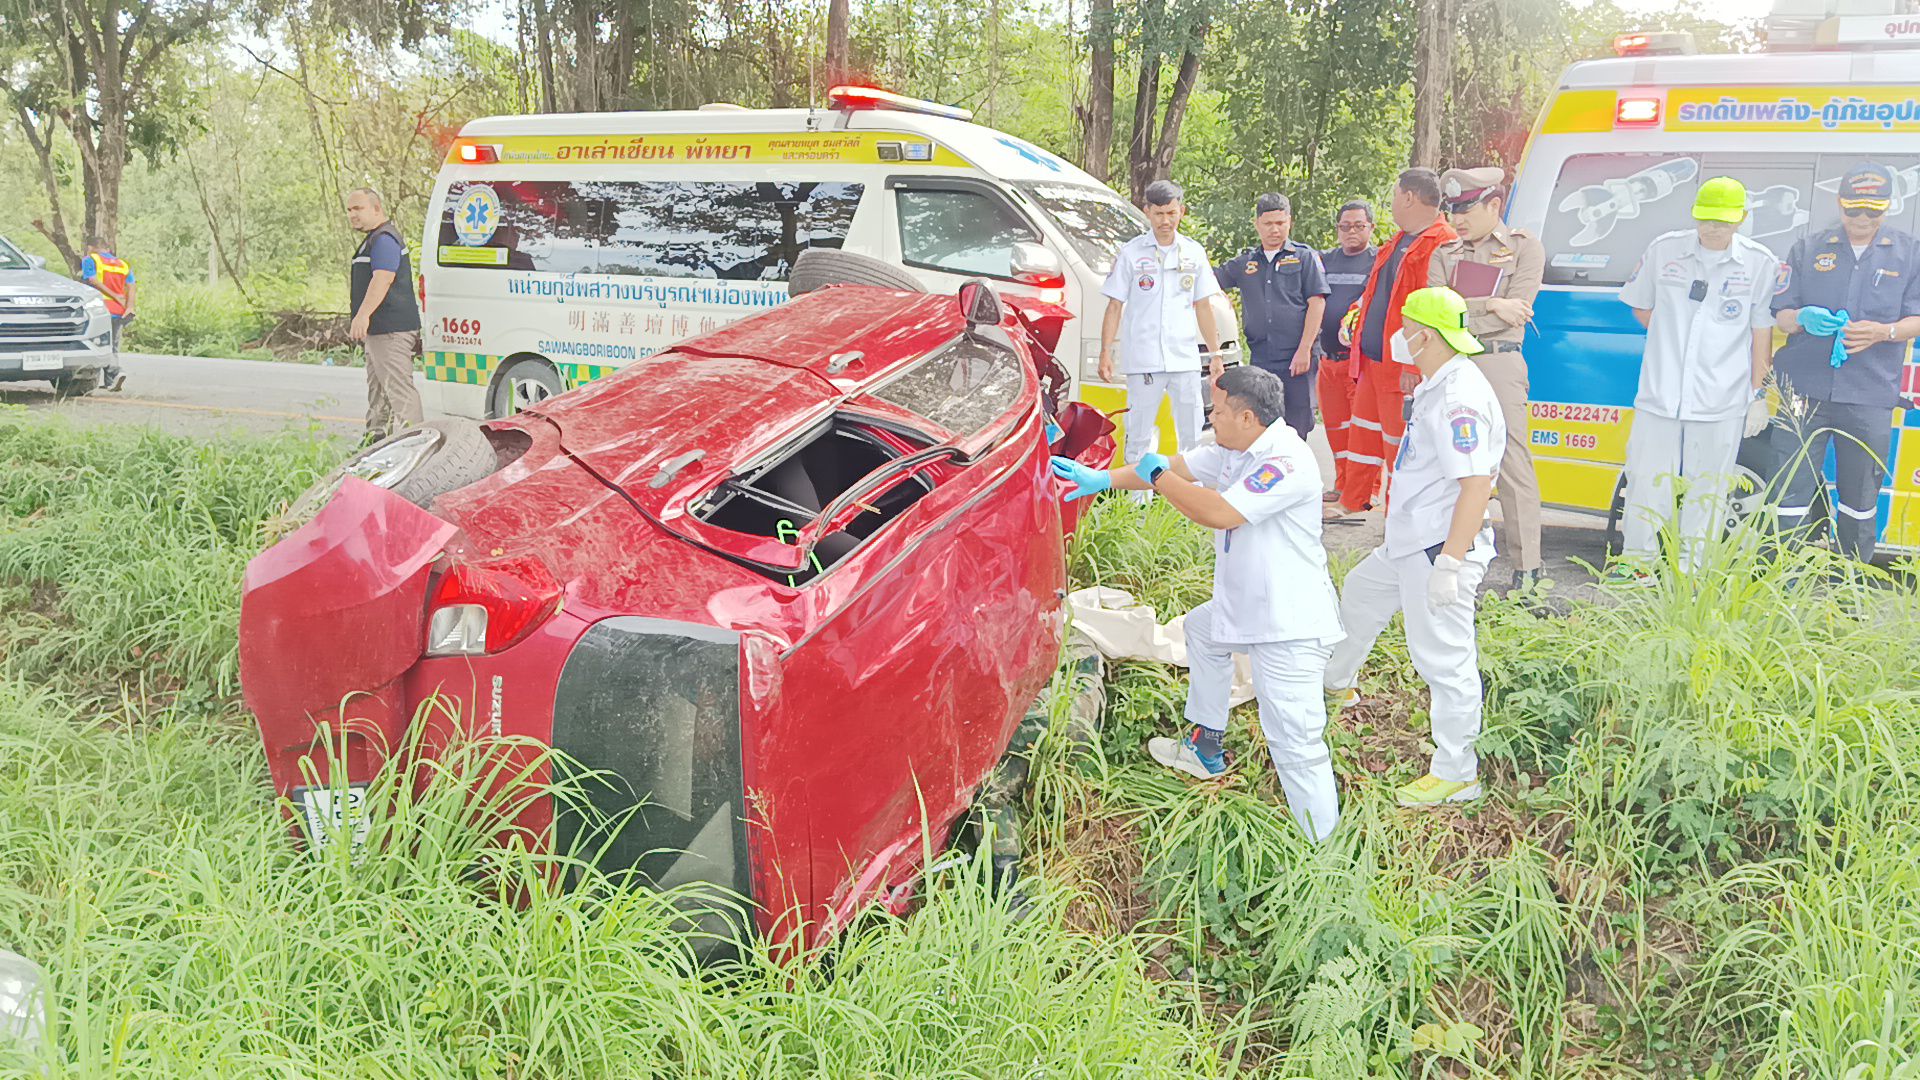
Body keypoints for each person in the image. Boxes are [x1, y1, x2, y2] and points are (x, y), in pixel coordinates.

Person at [1050, 366, 1345, 840]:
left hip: (1287, 624)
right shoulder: (1235, 447)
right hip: (1247, 607)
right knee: (1201, 633)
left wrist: (1161, 478)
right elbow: (1175, 468)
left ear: (1248, 417)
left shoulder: (1284, 462)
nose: (1212, 417)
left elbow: (1218, 512)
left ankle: (1323, 851)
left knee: (1296, 742)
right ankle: (1205, 747)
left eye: (1220, 411)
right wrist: (1100, 478)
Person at [1324, 288, 1504, 808]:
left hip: (1436, 549)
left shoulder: (1457, 400)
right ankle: (1337, 684)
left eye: (1405, 327)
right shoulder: (1439, 383)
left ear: (1424, 335)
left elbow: (1475, 486)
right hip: (1411, 539)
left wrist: (1450, 563)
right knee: (1359, 595)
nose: (1399, 336)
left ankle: (1456, 772)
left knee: (1443, 662)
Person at [1616, 176, 1776, 573]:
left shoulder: (1759, 264)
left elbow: (1762, 335)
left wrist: (1758, 395)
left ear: (1741, 218)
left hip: (1721, 398)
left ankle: (1692, 572)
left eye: (1722, 221)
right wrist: (1671, 337)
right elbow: (1640, 305)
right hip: (1660, 394)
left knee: (1710, 490)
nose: (1713, 228)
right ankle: (1638, 566)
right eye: (1706, 219)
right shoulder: (1664, 250)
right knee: (1645, 483)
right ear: (1694, 215)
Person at [1768, 163, 1920, 563]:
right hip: (1804, 390)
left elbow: (1916, 319)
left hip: (1869, 394)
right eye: (1854, 209)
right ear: (1840, 204)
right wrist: (1802, 319)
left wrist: (1883, 332)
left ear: (1889, 207)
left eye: (1873, 210)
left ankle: (1849, 592)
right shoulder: (1808, 247)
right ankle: (1781, 587)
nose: (1863, 219)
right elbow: (1781, 312)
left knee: (1859, 498)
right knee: (1789, 493)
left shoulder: (1911, 252)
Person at [1428, 167, 1547, 589]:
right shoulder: (1444, 253)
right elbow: (1433, 313)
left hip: (1499, 363)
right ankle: (1446, 556)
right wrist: (1493, 305)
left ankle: (1528, 569)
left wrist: (1476, 308)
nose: (1457, 219)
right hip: (1455, 364)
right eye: (1453, 210)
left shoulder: (1524, 248)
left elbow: (1520, 309)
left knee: (1513, 465)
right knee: (1447, 460)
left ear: (1494, 205)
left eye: (1467, 209)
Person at [1337, 169, 1458, 515]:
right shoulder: (1399, 241)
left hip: (1401, 367)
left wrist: (1412, 363)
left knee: (1400, 446)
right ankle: (1354, 500)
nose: (1391, 204)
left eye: (1394, 196)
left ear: (1409, 197)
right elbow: (1379, 295)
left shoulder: (1440, 242)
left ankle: (1399, 518)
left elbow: (1430, 310)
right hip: (1374, 362)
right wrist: (1355, 320)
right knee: (1363, 437)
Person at [1099, 180, 1226, 469]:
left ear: (1181, 211)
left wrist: (1215, 354)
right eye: (1159, 214)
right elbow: (1114, 305)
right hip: (1144, 358)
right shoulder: (1132, 253)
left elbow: (1203, 306)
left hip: (1184, 358)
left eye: (1171, 213)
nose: (1165, 221)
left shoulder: (1193, 252)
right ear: (1147, 212)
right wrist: (1106, 351)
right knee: (1139, 433)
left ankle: (1189, 502)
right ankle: (1136, 507)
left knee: (1192, 435)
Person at [1213, 193, 1329, 439]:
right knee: (1262, 422)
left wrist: (1304, 349)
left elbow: (1316, 303)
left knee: (1297, 424)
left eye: (1280, 223)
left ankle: (1295, 473)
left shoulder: (1304, 257)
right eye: (1268, 224)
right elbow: (1209, 281)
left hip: (1297, 356)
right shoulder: (1246, 262)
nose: (1274, 229)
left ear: (1290, 222)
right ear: (1257, 224)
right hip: (1262, 357)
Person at [345, 187, 425, 443]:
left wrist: (362, 315)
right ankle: (375, 444)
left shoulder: (384, 240)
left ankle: (414, 446)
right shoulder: (373, 239)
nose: (352, 215)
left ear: (376, 209)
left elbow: (384, 278)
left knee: (399, 392)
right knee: (378, 391)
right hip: (380, 332)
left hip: (392, 330)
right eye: (349, 210)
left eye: (358, 208)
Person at [1320, 200, 1377, 505]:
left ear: (1371, 228)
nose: (1351, 231)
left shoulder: (1379, 261)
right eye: (1345, 226)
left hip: (1360, 365)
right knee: (1336, 428)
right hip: (1328, 361)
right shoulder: (1324, 261)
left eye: (1358, 225)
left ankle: (1366, 491)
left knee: (1362, 430)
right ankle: (1342, 484)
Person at [79, 238, 132, 392]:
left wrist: (113, 295)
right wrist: (130, 306)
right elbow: (132, 286)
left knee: (98, 344)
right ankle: (110, 382)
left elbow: (93, 280)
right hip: (119, 311)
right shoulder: (122, 264)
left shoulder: (90, 260)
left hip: (100, 310)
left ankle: (116, 372)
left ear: (92, 247)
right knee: (113, 345)